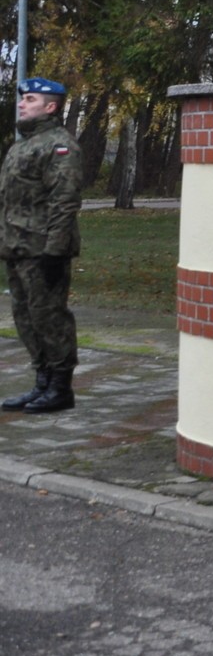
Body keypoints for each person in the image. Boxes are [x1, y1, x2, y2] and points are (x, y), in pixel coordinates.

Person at [0, 78, 85, 414]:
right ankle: (42, 382)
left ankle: (61, 388)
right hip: (17, 248)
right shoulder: (20, 147)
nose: (22, 104)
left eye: (31, 99)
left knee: (50, 318)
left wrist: (55, 250)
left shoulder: (59, 145)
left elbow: (64, 201)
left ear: (50, 107)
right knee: (26, 319)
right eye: (23, 99)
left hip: (43, 250)